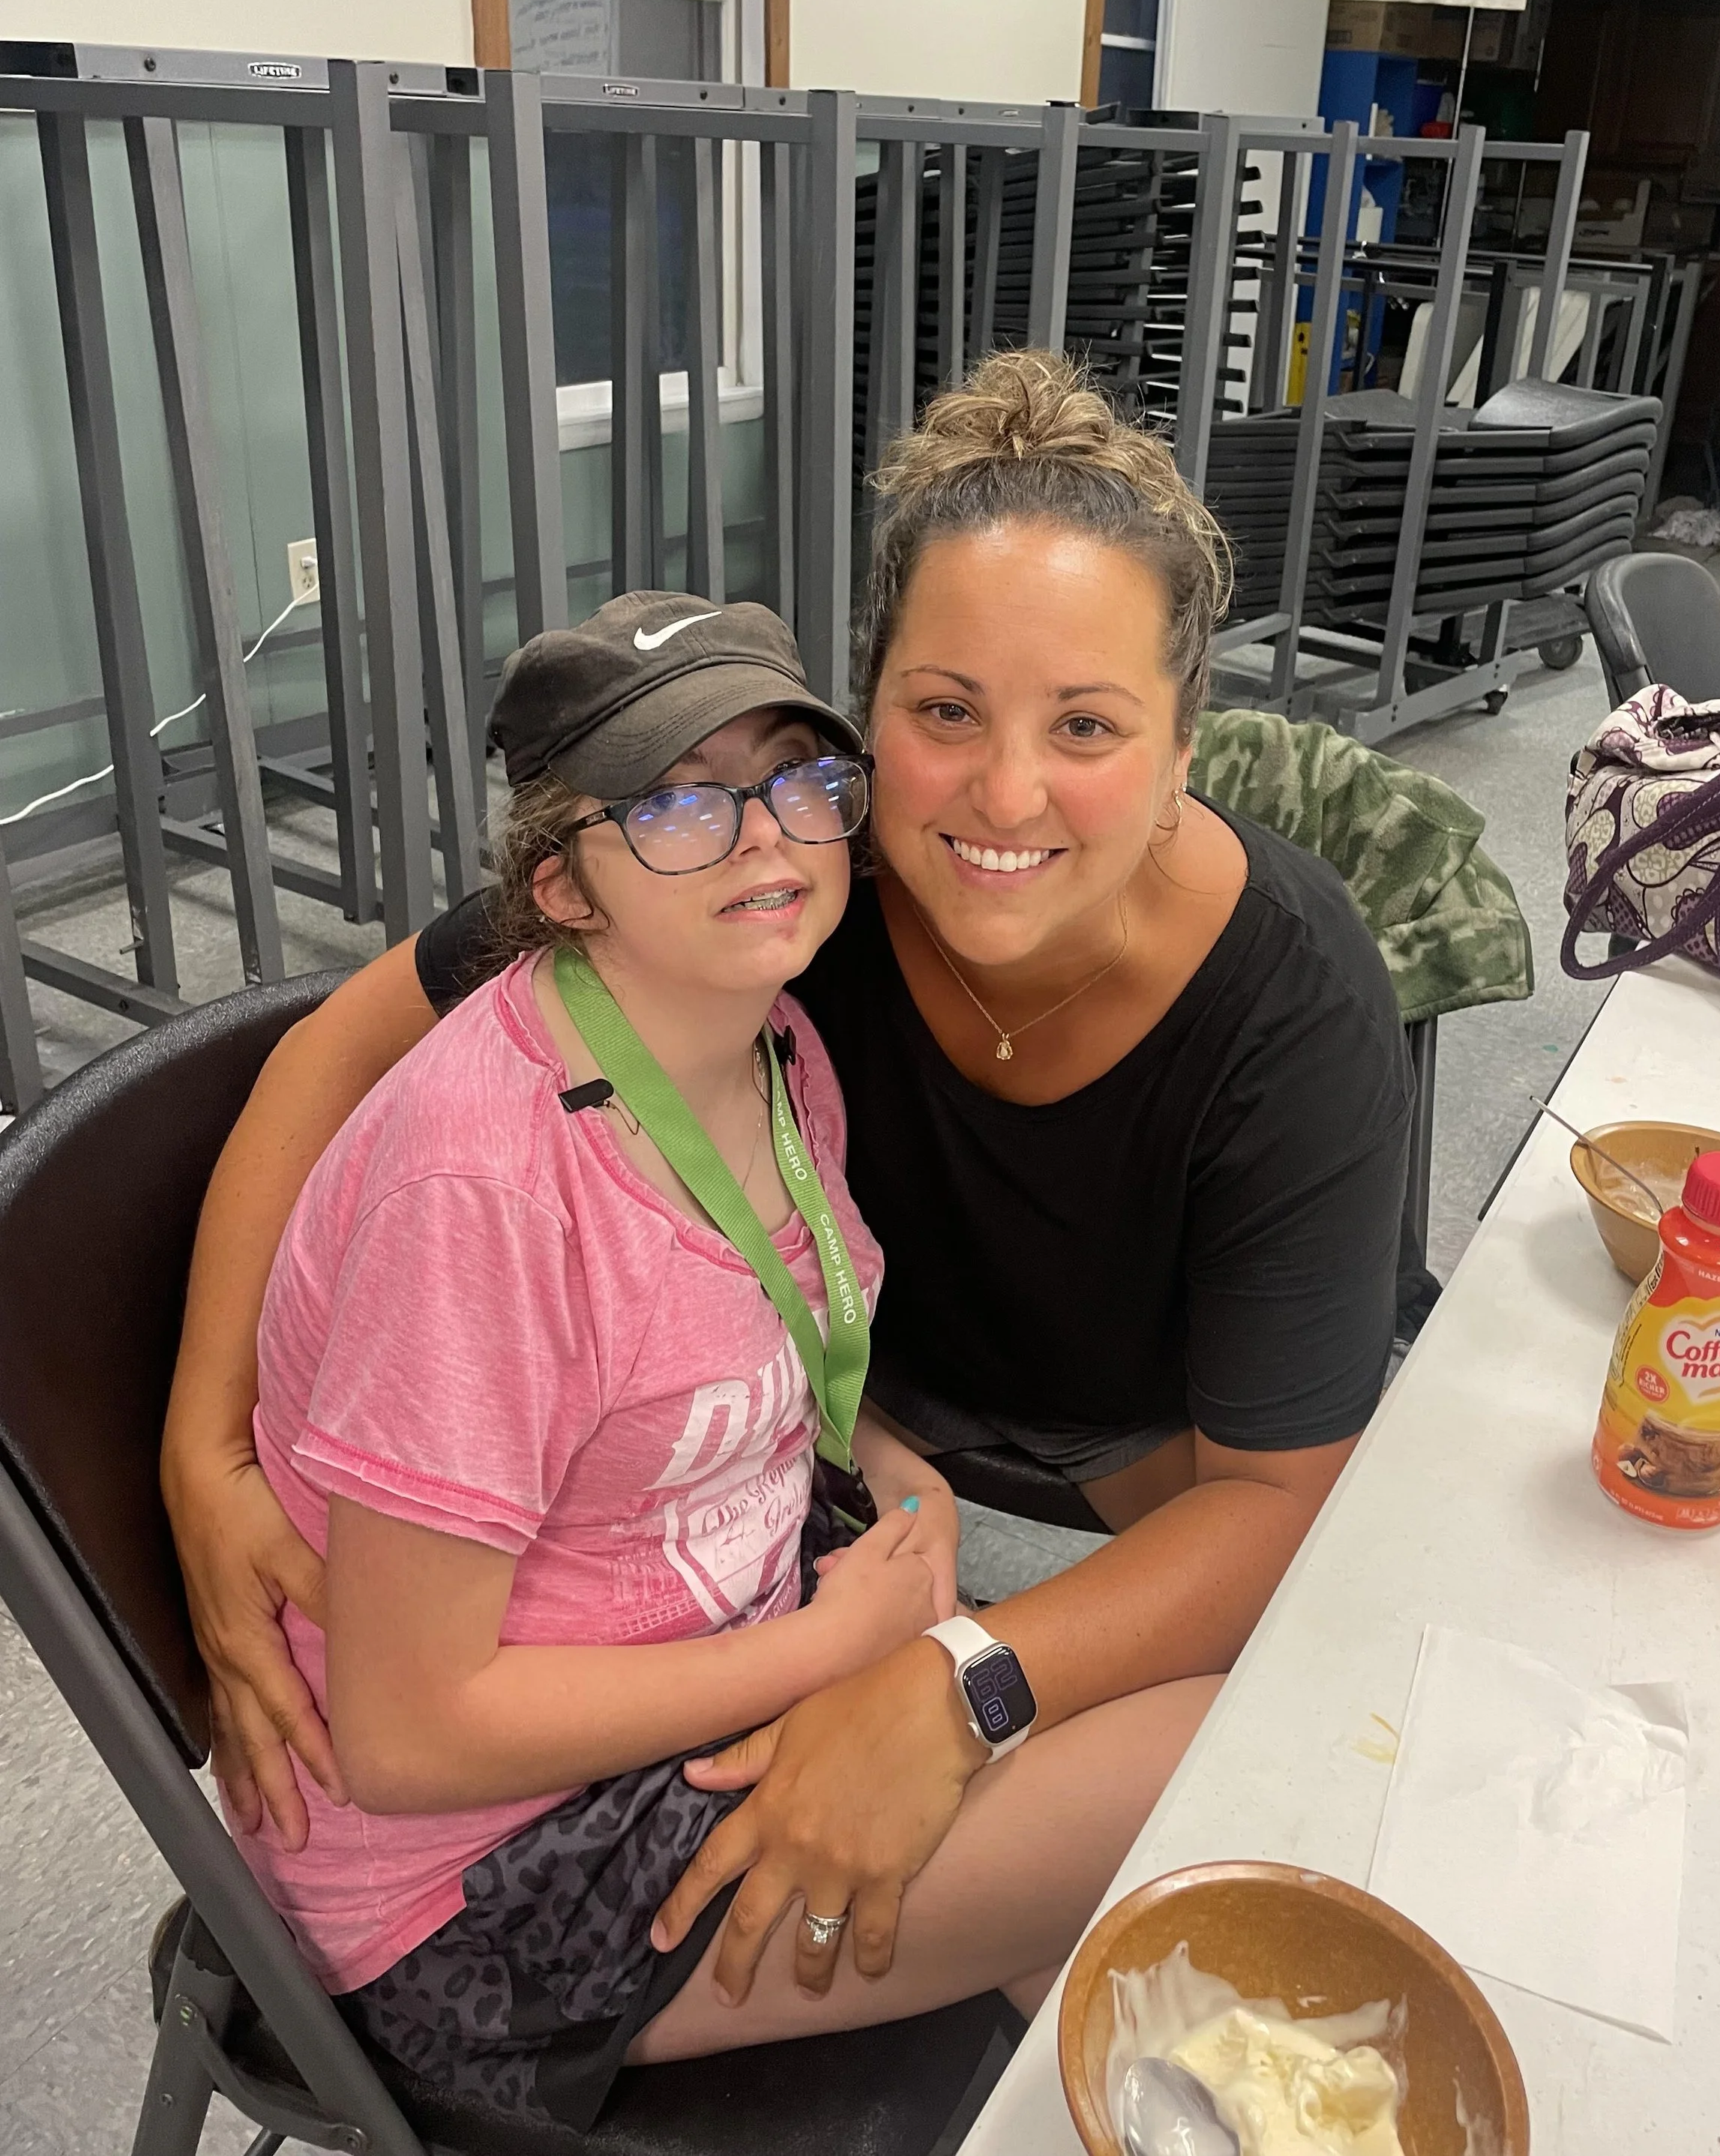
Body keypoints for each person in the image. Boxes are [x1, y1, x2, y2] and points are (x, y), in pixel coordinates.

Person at [165, 349, 1413, 2022]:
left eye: (1089, 726)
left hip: (965, 1432)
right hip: (611, 1687)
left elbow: (1272, 1502)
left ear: (1192, 744)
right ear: (872, 712)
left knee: (1321, 1680)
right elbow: (332, 1050)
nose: (1003, 794)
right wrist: (205, 1444)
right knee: (1218, 1810)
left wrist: (956, 1673)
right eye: (943, 711)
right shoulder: (755, 909)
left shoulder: (1261, 1000)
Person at [216, 594, 1212, 2123]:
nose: (764, 838)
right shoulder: (481, 1190)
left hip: (722, 1641)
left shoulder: (766, 1037)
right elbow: (409, 1737)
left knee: (1121, 1898)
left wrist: (887, 1470)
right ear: (559, 880)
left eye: (796, 783)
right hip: (482, 1876)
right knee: (1203, 1754)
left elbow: (748, 1353)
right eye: (678, 801)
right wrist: (817, 1656)